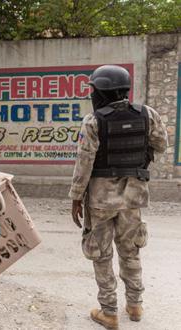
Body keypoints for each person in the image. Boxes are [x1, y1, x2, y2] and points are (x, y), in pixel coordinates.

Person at [69, 65, 167, 329]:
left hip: (101, 199)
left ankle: (109, 312)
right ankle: (135, 306)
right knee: (131, 251)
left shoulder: (93, 121)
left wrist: (76, 197)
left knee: (101, 254)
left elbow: (84, 162)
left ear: (100, 91)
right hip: (134, 196)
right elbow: (161, 145)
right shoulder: (148, 114)